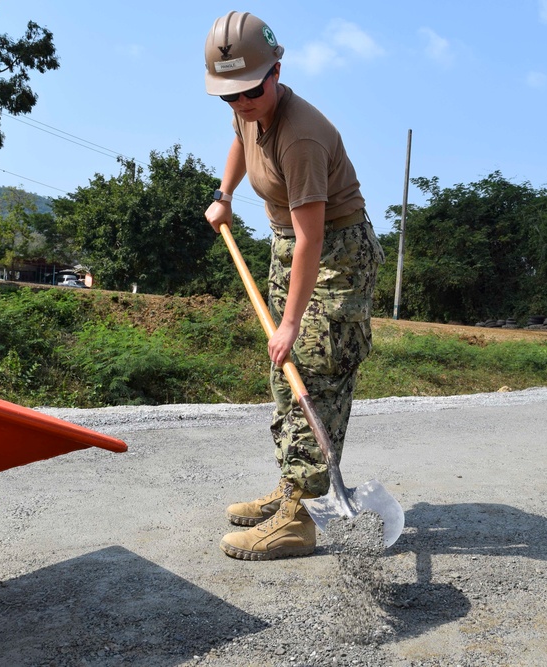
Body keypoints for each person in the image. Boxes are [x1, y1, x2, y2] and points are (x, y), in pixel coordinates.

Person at [203, 11, 384, 561]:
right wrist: (225, 193)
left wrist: (289, 323)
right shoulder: (247, 110)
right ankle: (292, 488)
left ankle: (298, 519)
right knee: (286, 375)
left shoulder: (301, 136)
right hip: (291, 248)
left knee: (312, 371)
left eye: (251, 91)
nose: (242, 104)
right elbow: (239, 140)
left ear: (276, 72)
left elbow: (312, 240)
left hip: (335, 257)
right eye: (228, 95)